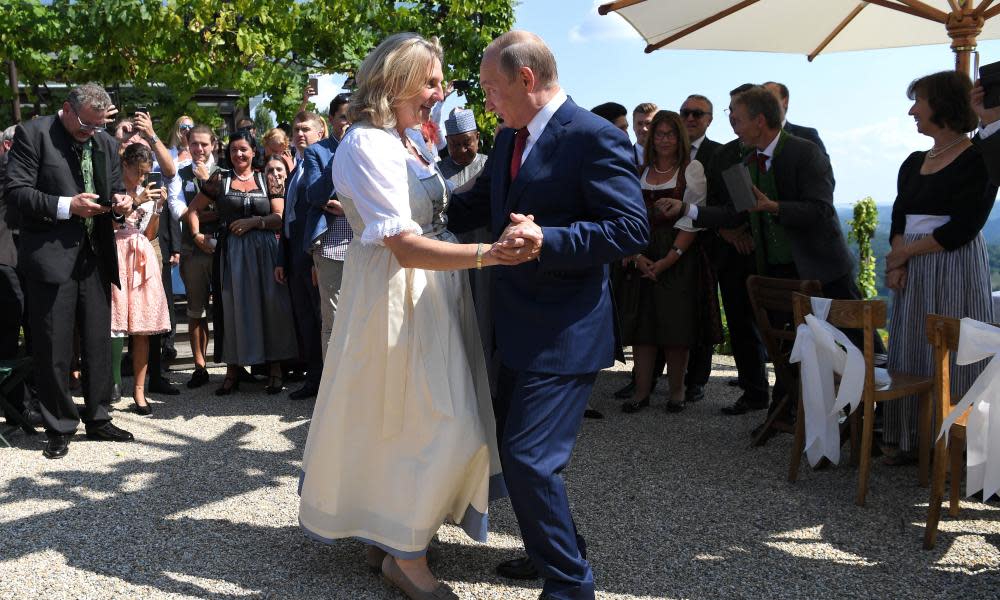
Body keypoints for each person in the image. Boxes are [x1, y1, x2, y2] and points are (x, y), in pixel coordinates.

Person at [298, 33, 532, 600]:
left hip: (427, 293)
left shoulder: (404, 141)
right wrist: (488, 255)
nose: (439, 92)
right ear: (397, 80)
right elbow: (402, 244)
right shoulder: (367, 146)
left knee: (407, 417)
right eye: (430, 81)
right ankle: (406, 556)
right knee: (424, 420)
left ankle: (390, 534)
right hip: (395, 297)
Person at [449, 30, 649, 600]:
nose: (486, 101)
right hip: (514, 328)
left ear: (526, 79)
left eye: (491, 88)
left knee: (531, 460)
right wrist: (403, 206)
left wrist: (549, 240)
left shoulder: (590, 137)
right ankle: (552, 552)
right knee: (515, 457)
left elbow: (630, 228)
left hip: (565, 331)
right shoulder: (512, 138)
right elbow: (471, 205)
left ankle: (570, 585)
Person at [665, 86, 869, 414]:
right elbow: (735, 212)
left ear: (760, 121)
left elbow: (821, 210)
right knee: (788, 348)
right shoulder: (741, 160)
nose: (732, 124)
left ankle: (876, 420)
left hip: (824, 271)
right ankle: (786, 413)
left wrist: (775, 206)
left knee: (857, 346)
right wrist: (687, 211)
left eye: (737, 118)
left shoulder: (805, 152)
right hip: (776, 273)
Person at [5, 82, 136, 458]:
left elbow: (112, 189)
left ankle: (98, 417)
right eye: (86, 125)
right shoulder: (34, 135)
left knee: (97, 342)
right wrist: (67, 206)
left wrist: (121, 203)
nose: (92, 132)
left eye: (98, 125)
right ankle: (59, 425)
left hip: (95, 255)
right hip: (50, 256)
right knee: (52, 346)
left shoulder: (106, 143)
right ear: (67, 108)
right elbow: (16, 193)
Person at [883, 71, 996, 464]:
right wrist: (897, 260)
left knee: (952, 348)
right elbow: (900, 216)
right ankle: (913, 438)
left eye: (920, 101)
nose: (912, 110)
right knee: (911, 346)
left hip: (951, 265)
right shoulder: (914, 161)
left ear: (943, 105)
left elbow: (964, 227)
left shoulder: (976, 158)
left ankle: (956, 441)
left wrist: (906, 255)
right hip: (913, 266)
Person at [184, 131, 298, 395]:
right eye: (234, 150)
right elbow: (193, 209)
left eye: (244, 149)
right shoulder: (220, 179)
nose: (239, 155)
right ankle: (232, 371)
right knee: (232, 307)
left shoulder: (267, 177)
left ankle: (275, 369)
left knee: (271, 306)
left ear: (254, 151)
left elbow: (279, 217)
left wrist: (254, 222)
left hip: (265, 252)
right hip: (232, 254)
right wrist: (197, 235)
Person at [615, 110, 713, 414]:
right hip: (642, 253)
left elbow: (691, 221)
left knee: (675, 327)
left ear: (679, 137)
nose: (665, 139)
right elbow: (627, 217)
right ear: (651, 138)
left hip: (678, 255)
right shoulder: (639, 171)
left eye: (671, 133)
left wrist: (670, 258)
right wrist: (636, 256)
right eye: (659, 134)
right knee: (643, 326)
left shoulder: (691, 170)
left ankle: (676, 391)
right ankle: (641, 392)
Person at [110, 143, 172, 415]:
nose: (142, 179)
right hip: (116, 252)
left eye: (146, 174)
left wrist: (157, 208)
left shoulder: (147, 192)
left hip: (141, 255)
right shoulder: (113, 188)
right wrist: (135, 199)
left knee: (143, 328)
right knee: (113, 325)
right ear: (125, 165)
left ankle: (139, 391)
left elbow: (149, 233)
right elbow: (111, 224)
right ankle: (111, 384)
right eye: (138, 172)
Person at [277, 111, 326, 399]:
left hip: (316, 256)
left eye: (306, 129)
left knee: (323, 322)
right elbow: (288, 219)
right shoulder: (295, 170)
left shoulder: (324, 166)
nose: (300, 134)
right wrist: (282, 259)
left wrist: (317, 257)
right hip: (295, 257)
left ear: (321, 132)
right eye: (296, 129)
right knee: (306, 321)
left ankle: (326, 385)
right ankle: (313, 379)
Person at [679, 93, 722, 404]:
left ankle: (696, 380)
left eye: (698, 113)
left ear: (709, 119)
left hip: (710, 244)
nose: (691, 118)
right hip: (671, 242)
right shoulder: (668, 149)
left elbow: (737, 201)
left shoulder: (722, 153)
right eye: (686, 112)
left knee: (703, 313)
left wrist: (730, 230)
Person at [303, 94, 352, 357]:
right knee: (334, 319)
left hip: (364, 243)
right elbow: (315, 195)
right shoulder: (317, 152)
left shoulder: (367, 148)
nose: (349, 122)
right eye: (344, 116)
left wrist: (349, 210)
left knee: (363, 317)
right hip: (331, 245)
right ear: (331, 119)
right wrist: (341, 152)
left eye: (354, 115)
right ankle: (332, 392)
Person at [171, 124, 218, 388]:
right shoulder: (180, 173)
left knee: (223, 308)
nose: (199, 149)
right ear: (188, 145)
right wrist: (198, 213)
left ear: (213, 145)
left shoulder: (223, 172)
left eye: (204, 144)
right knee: (195, 310)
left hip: (220, 247)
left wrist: (197, 211)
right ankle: (199, 365)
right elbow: (178, 209)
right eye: (194, 144)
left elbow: (227, 210)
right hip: (192, 249)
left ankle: (229, 363)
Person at [762, 81, 827, 155]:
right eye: (759, 100)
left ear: (785, 102)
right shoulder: (751, 140)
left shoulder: (806, 136)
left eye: (769, 98)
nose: (763, 104)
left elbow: (824, 165)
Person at [631, 102, 657, 168]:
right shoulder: (624, 157)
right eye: (639, 124)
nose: (644, 129)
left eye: (648, 123)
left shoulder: (671, 156)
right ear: (633, 126)